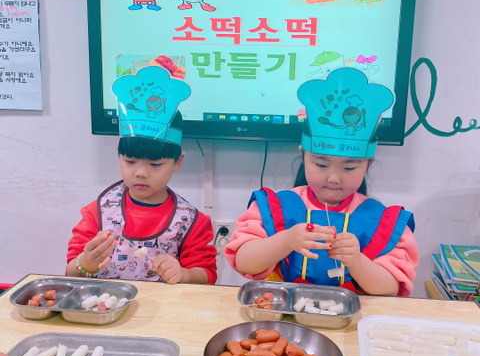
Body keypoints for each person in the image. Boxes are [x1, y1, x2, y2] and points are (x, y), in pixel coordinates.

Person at [225, 67, 418, 296]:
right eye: (321, 165)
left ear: (368, 165)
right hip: (283, 311)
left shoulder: (382, 220)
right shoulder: (275, 207)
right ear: (303, 156)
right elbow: (244, 261)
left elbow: (390, 288)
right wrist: (286, 240)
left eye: (349, 167)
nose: (333, 178)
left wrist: (357, 261)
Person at [66, 66, 217, 284]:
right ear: (119, 155)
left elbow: (207, 275)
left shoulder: (191, 221)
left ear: (178, 162)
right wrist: (86, 263)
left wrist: (185, 274)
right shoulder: (98, 213)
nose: (141, 173)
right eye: (130, 161)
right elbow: (71, 272)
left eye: (155, 164)